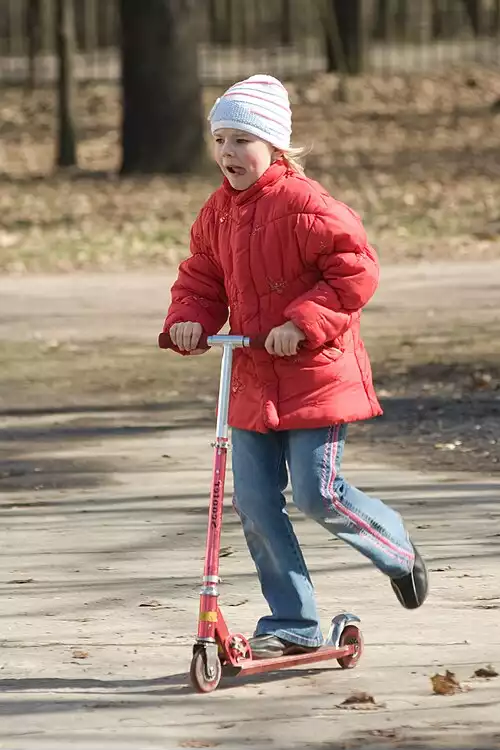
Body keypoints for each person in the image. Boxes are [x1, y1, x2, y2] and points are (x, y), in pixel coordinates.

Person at [161, 74, 428, 659]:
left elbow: (355, 268)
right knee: (255, 504)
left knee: (317, 492)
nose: (228, 153)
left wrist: (301, 323)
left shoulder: (306, 204)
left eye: (242, 141)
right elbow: (201, 278)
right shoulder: (217, 213)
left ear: (275, 146)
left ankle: (397, 548)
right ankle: (293, 620)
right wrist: (189, 318)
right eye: (221, 140)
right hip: (253, 380)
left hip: (315, 377)